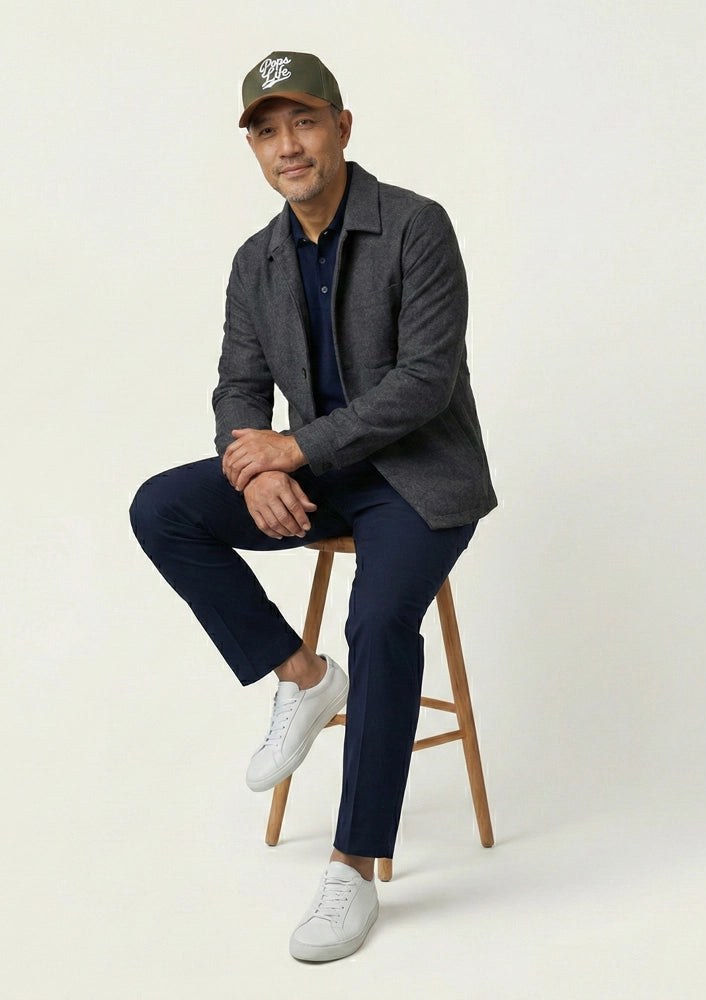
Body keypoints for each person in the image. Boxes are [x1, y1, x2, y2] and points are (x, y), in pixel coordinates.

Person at [130, 50, 496, 962]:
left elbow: (425, 381)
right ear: (255, 149)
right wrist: (254, 469)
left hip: (421, 476)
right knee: (161, 508)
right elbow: (237, 388)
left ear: (341, 126)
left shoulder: (415, 225)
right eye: (267, 131)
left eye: (303, 122)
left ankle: (353, 865)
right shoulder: (255, 261)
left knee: (379, 621)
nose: (287, 146)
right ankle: (300, 675)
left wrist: (293, 450)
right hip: (323, 475)